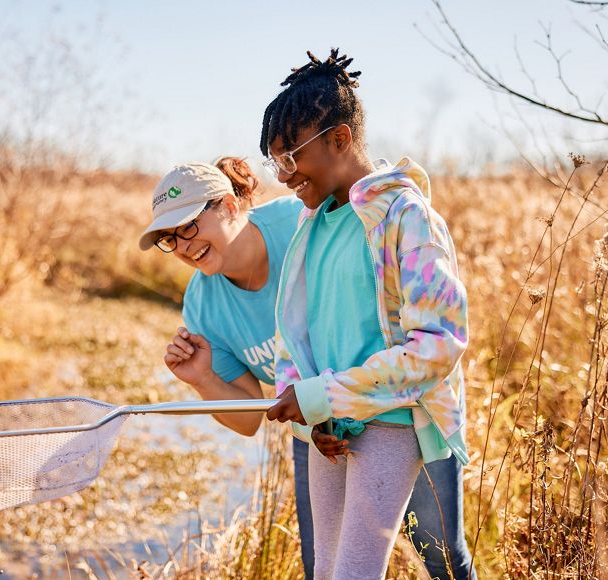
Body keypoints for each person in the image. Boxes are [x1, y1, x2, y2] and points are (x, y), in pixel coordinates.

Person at [262, 49, 476, 580]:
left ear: (339, 138)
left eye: (291, 158)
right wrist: (314, 416)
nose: (284, 176)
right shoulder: (310, 228)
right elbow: (295, 334)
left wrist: (324, 396)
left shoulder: (406, 216)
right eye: (275, 163)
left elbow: (437, 346)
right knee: (326, 570)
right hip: (330, 425)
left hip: (391, 420)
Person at [137, 158, 317, 577]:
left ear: (230, 206)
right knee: (321, 563)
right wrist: (203, 379)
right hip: (314, 429)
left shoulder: (300, 222)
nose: (183, 246)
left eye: (189, 226)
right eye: (170, 238)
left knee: (438, 550)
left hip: (388, 399)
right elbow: (249, 419)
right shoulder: (202, 307)